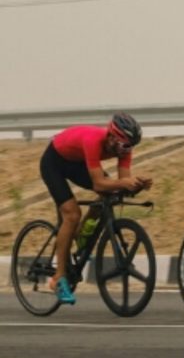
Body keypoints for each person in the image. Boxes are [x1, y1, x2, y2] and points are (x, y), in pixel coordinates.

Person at [40, 113, 152, 304]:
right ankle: (58, 278)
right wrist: (124, 183)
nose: (126, 150)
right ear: (112, 136)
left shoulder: (124, 150)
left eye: (130, 147)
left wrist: (136, 186)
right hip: (54, 163)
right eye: (125, 145)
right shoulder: (93, 140)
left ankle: (82, 238)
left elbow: (121, 182)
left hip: (77, 163)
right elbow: (99, 183)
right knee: (72, 214)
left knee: (109, 195)